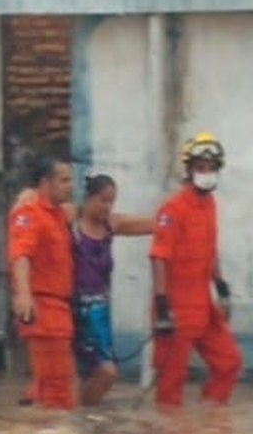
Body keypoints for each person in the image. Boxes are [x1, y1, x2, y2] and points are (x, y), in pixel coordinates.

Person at [13, 174, 153, 406]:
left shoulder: (112, 224)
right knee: (104, 371)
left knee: (96, 374)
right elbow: (38, 206)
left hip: (100, 312)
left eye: (111, 201)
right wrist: (26, 195)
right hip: (71, 307)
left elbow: (154, 224)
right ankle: (66, 413)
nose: (107, 207)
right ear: (88, 198)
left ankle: (73, 416)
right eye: (102, 200)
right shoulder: (70, 216)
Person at [149, 132, 243, 408]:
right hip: (176, 307)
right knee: (171, 383)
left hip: (203, 305)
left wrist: (222, 289)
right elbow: (159, 258)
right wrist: (163, 306)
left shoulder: (209, 205)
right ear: (189, 170)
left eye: (212, 168)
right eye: (201, 168)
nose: (207, 173)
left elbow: (210, 250)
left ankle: (208, 425)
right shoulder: (173, 209)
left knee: (229, 362)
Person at [8, 155, 76, 410]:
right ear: (46, 182)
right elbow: (20, 255)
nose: (71, 185)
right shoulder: (30, 214)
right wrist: (24, 295)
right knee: (57, 389)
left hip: (58, 309)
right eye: (64, 180)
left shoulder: (58, 214)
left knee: (48, 386)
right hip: (43, 308)